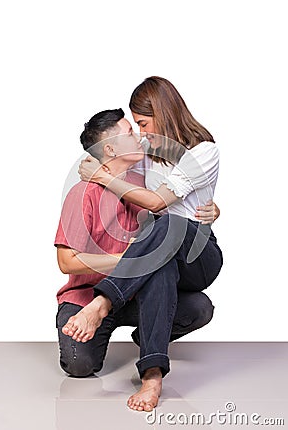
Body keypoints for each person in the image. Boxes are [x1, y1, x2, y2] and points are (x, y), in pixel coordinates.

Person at [67, 77, 223, 411]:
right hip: (162, 250)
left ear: (164, 113)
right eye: (135, 126)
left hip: (199, 254)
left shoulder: (203, 151)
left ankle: (102, 303)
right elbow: (110, 156)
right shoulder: (148, 153)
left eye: (143, 123)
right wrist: (94, 167)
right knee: (159, 258)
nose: (140, 133)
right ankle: (152, 375)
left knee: (165, 222)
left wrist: (102, 176)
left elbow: (156, 202)